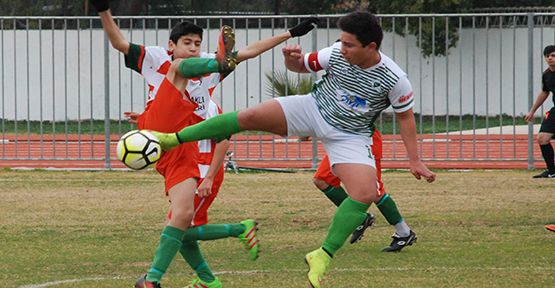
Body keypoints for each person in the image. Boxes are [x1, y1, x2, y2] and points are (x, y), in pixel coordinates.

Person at [150, 11, 436, 288]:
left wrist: (415, 160)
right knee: (247, 117)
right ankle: (172, 139)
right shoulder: (335, 52)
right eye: (341, 41)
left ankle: (322, 255)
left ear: (370, 47)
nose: (341, 47)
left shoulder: (394, 79)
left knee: (366, 192)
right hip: (312, 109)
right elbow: (303, 67)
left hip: (350, 134)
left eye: (349, 44)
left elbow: (405, 117)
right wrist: (293, 61)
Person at [90, 1, 318, 287]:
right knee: (178, 69)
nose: (194, 47)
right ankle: (199, 269)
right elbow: (119, 42)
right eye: (188, 42)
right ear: (171, 44)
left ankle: (155, 281)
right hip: (158, 124)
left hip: (179, 143)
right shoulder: (158, 57)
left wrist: (289, 33)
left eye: (198, 43)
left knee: (183, 217)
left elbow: (247, 52)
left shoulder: (208, 74)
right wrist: (103, 10)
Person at [313, 129, 417, 252]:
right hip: (342, 142)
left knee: (374, 192)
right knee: (322, 180)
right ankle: (360, 218)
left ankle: (404, 233)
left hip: (364, 140)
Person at [525, 45, 555, 179]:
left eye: (553, 55)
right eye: (547, 56)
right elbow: (544, 92)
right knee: (542, 138)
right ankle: (552, 172)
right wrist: (532, 111)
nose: (550, 58)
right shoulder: (546, 75)